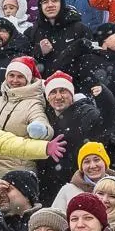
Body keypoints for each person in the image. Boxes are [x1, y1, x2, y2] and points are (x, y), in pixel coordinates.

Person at [0, 55, 49, 175]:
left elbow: (41, 121)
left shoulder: (33, 103)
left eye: (20, 76)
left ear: (28, 79)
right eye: (11, 75)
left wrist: (40, 129)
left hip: (19, 170)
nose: (15, 80)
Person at [36, 72, 103, 203]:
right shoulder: (43, 115)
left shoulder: (85, 112)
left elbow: (106, 122)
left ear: (72, 95)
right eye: (53, 92)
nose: (58, 96)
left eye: (63, 91)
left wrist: (104, 94)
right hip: (48, 184)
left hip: (75, 182)